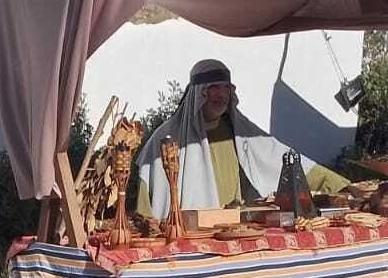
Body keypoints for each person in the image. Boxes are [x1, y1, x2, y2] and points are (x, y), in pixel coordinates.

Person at [140, 58, 350, 217]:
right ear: (198, 92)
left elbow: (281, 159)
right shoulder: (166, 137)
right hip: (184, 235)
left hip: (234, 229)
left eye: (226, 88)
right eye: (213, 88)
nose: (221, 95)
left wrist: (339, 185)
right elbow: (146, 189)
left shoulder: (237, 130)